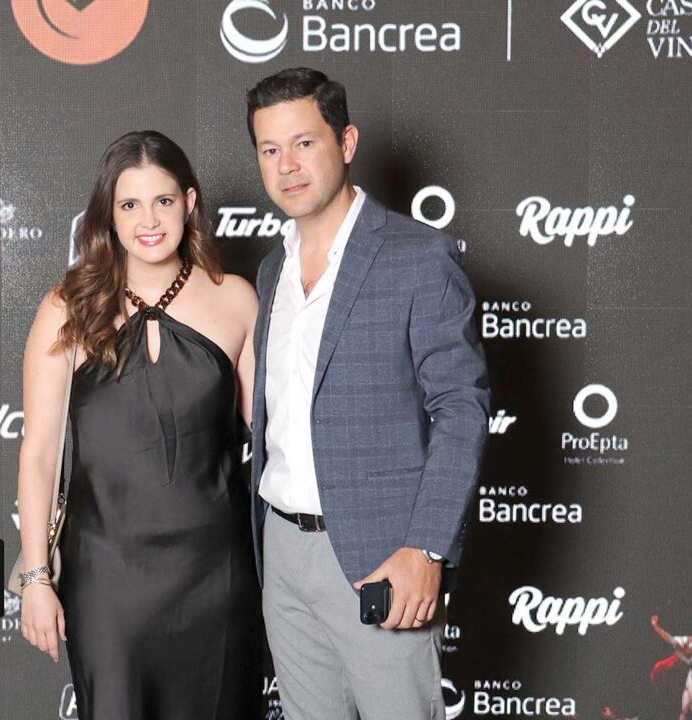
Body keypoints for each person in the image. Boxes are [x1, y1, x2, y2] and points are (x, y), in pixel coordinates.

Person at [245, 68, 490, 719]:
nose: (287, 165)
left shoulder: (418, 256)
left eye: (304, 143)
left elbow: (460, 409)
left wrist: (426, 547)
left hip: (383, 552)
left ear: (346, 142)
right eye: (270, 149)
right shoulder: (271, 271)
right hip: (283, 552)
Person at [16, 130, 262, 719]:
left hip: (216, 575)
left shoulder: (235, 300)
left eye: (163, 201)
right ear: (109, 214)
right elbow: (40, 452)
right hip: (106, 577)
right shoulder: (66, 308)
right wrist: (35, 578)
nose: (148, 221)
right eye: (130, 204)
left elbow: (275, 443)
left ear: (189, 203)